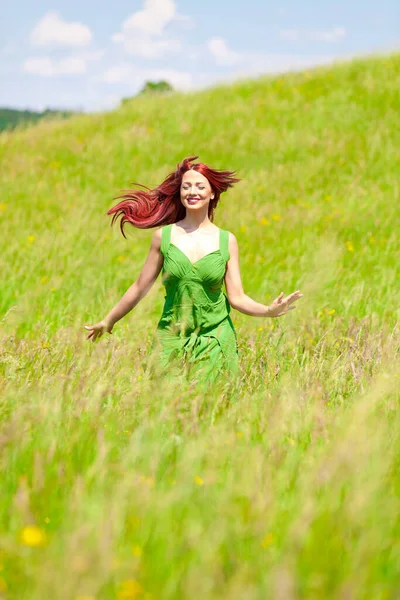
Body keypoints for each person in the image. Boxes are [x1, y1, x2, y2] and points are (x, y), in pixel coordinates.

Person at [84, 155, 303, 385]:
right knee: (165, 411)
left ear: (212, 194)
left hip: (215, 341)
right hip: (171, 340)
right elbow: (139, 287)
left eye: (200, 186)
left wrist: (268, 310)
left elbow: (237, 298)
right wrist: (109, 321)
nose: (192, 191)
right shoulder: (164, 237)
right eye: (186, 186)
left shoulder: (226, 241)